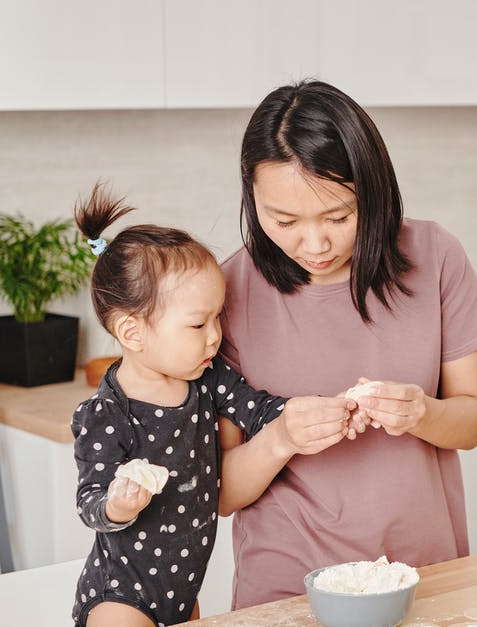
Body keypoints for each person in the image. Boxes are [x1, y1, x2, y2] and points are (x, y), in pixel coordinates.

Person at [216, 80, 477, 608]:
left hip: (423, 573)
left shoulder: (435, 255)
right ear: (252, 199)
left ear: (373, 189)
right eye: (283, 220)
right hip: (285, 589)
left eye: (339, 216)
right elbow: (224, 492)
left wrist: (421, 412)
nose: (315, 243)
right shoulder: (227, 290)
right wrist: (281, 437)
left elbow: (473, 421)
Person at [70, 184, 351, 626]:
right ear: (132, 333)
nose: (215, 335)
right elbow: (90, 501)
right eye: (198, 323)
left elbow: (259, 409)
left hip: (184, 591)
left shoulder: (208, 379)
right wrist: (119, 505)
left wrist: (314, 411)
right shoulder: (106, 415)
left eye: (217, 316)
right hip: (121, 593)